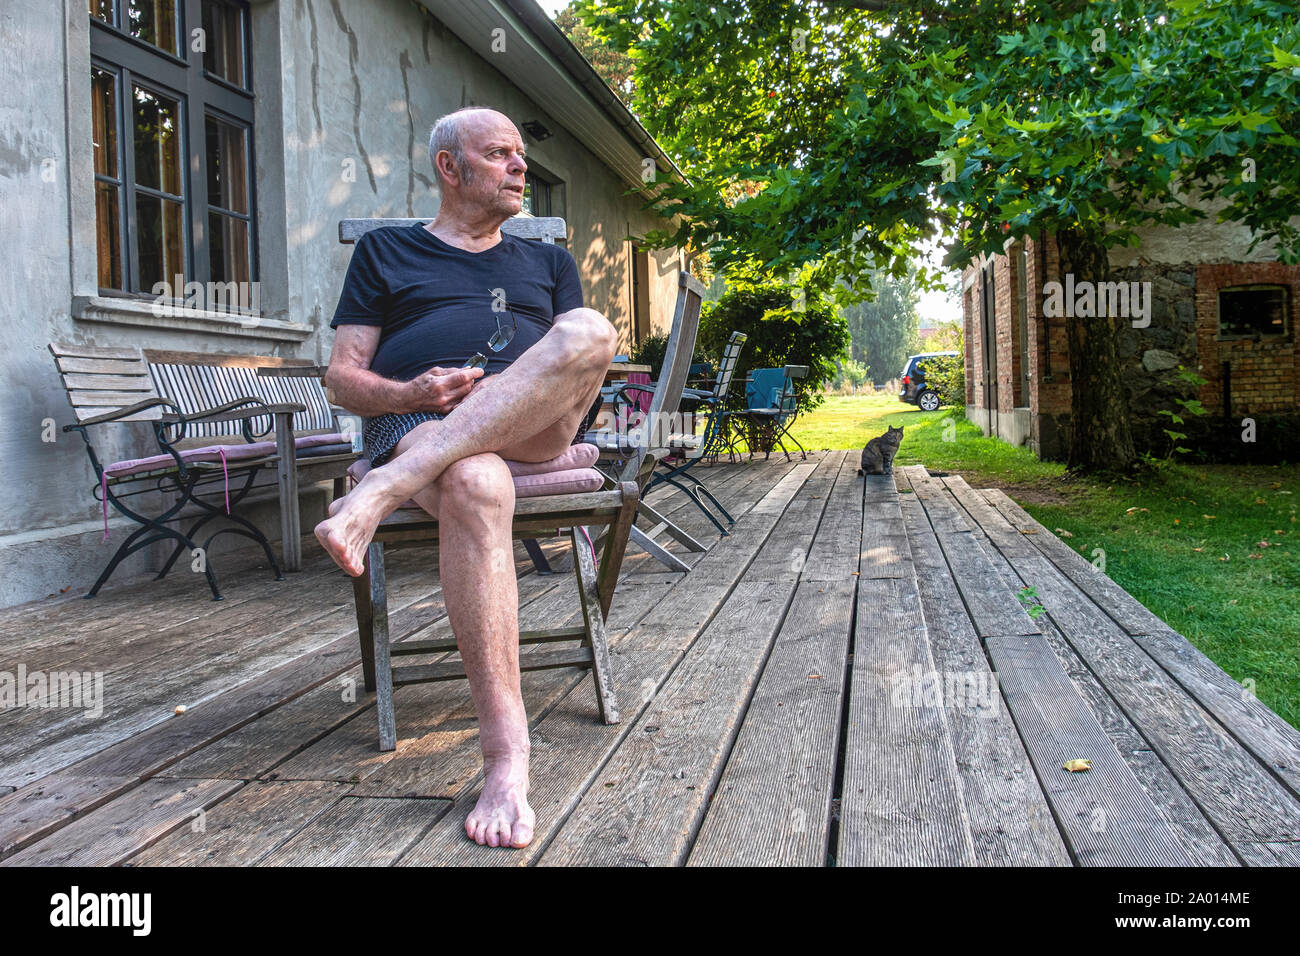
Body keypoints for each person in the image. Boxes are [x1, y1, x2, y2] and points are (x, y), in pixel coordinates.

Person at [315, 107, 618, 849]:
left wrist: (499, 398)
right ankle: (507, 757)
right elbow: (343, 381)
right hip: (420, 424)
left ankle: (379, 491)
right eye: (499, 154)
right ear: (450, 168)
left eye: (521, 154)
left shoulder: (547, 263)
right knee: (475, 479)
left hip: (534, 430)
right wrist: (415, 393)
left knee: (588, 330)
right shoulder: (386, 253)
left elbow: (578, 367)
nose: (520, 167)